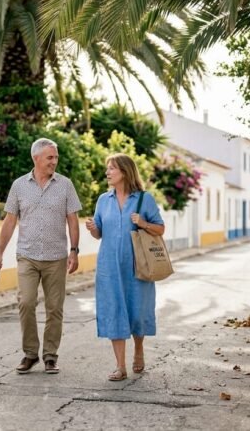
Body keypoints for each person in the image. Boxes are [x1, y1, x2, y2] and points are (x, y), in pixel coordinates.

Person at [0, 138, 82, 375]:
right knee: (26, 302)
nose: (54, 161)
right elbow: (10, 221)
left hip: (56, 257)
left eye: (56, 157)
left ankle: (50, 355)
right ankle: (30, 354)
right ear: (36, 158)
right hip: (27, 256)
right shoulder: (19, 186)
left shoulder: (65, 185)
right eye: (50, 157)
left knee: (54, 308)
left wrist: (74, 250)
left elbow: (72, 220)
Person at [85, 153, 165, 381]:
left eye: (112, 168)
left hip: (138, 266)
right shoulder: (103, 200)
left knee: (137, 311)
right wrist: (93, 228)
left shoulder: (144, 199)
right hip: (109, 267)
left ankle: (138, 349)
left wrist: (143, 223)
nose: (107, 172)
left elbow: (160, 229)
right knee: (113, 310)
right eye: (107, 168)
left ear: (125, 171)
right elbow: (99, 233)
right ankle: (120, 366)